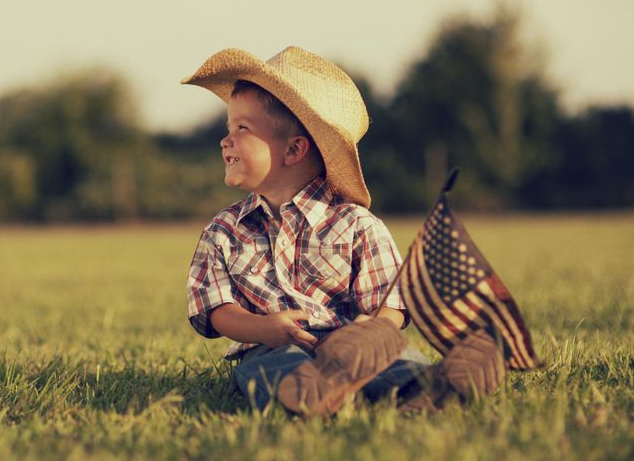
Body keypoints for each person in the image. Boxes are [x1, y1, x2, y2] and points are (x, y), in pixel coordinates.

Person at [182, 46, 506, 415]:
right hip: (270, 345)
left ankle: (443, 385)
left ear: (293, 150)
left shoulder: (356, 224)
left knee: (393, 363)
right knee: (274, 368)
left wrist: (373, 332)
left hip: (351, 346)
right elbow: (214, 306)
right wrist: (261, 329)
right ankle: (316, 395)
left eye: (242, 129)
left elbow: (391, 301)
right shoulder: (223, 231)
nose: (226, 140)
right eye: (228, 128)